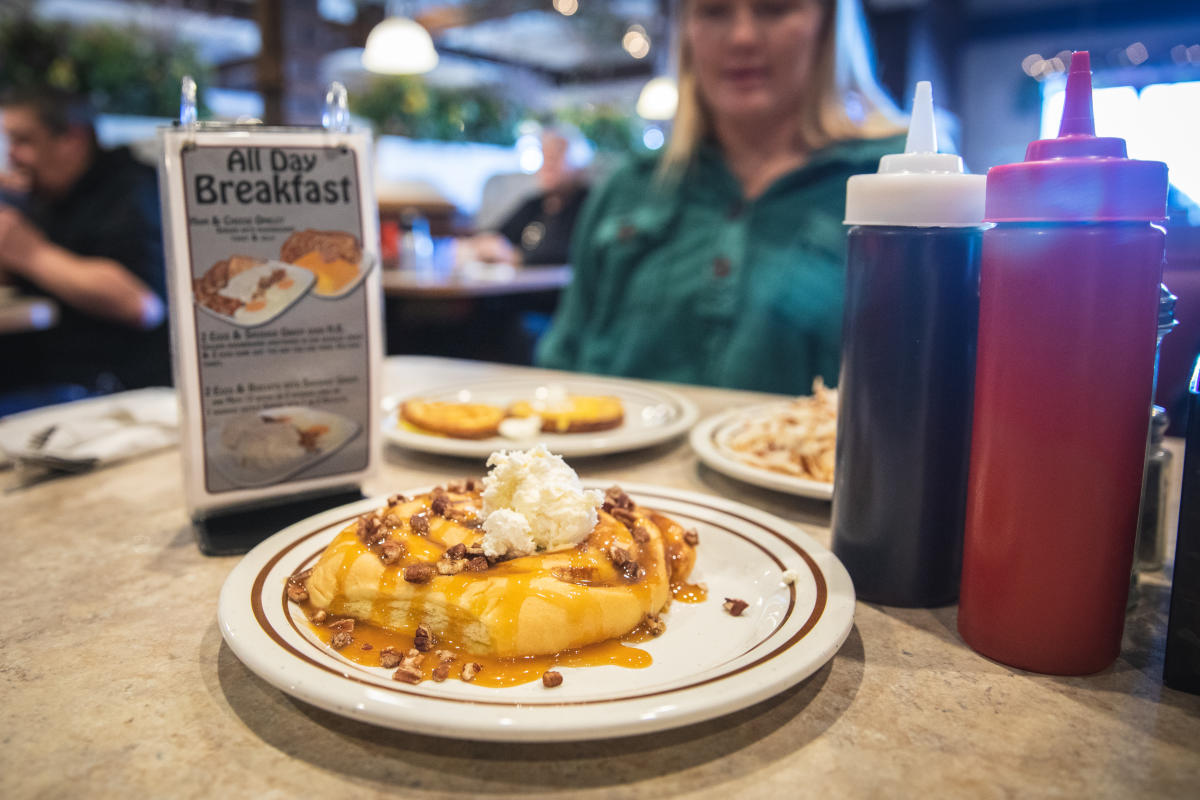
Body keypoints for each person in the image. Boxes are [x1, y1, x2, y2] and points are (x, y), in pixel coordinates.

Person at [536, 0, 906, 394]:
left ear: (827, 23)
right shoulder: (629, 186)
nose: (742, 37)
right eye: (713, 11)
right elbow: (561, 363)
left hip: (802, 456)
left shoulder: (893, 186)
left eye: (774, 9)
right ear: (686, 33)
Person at [0, 88, 169, 406]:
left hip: (108, 388)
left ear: (71, 141)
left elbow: (141, 304)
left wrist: (31, 254)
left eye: (23, 141)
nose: (11, 156)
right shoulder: (47, 194)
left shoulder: (130, 189)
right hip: (43, 375)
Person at [464, 126, 590, 267]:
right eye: (545, 156)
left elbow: (570, 253)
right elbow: (496, 236)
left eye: (555, 157)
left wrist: (518, 258)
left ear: (579, 166)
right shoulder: (534, 203)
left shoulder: (587, 205)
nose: (547, 164)